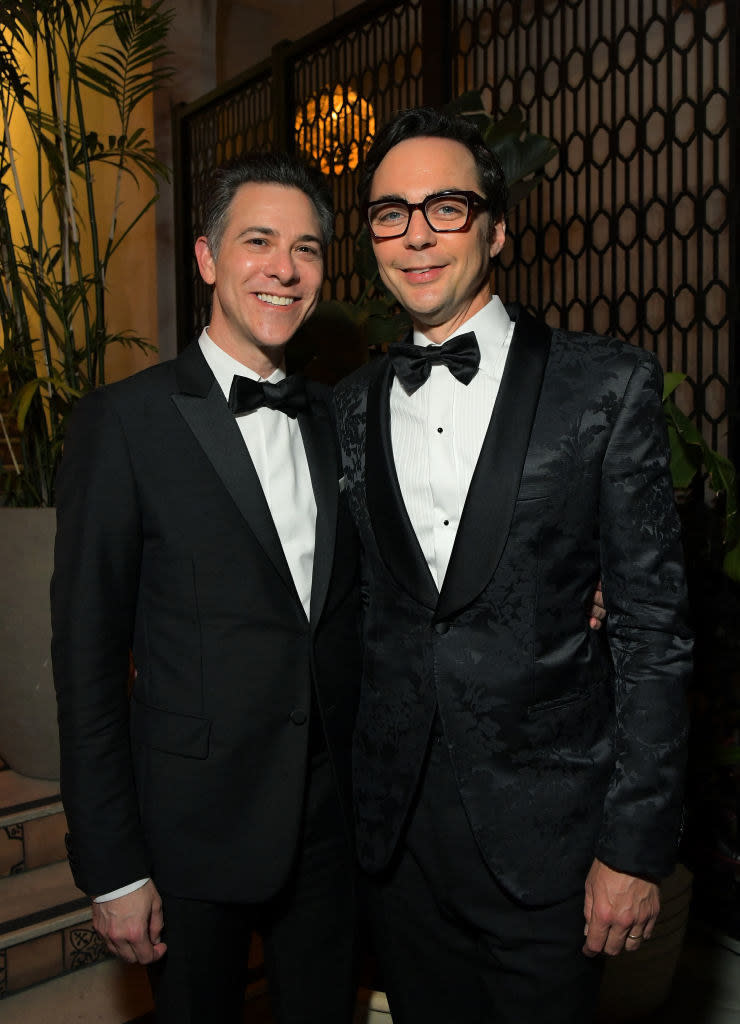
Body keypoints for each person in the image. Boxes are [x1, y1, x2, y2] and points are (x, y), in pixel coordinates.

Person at [333, 107, 693, 1024]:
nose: (416, 235)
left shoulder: (606, 386)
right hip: (399, 849)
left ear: (498, 228)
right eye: (390, 211)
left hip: (556, 850)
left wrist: (636, 848)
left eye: (445, 207)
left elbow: (654, 631)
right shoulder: (342, 408)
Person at [51, 153, 361, 1024]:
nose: (284, 268)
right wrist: (113, 864)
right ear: (207, 258)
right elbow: (86, 661)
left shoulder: (337, 419)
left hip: (329, 829)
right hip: (189, 835)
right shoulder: (124, 423)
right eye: (258, 240)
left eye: (305, 248)